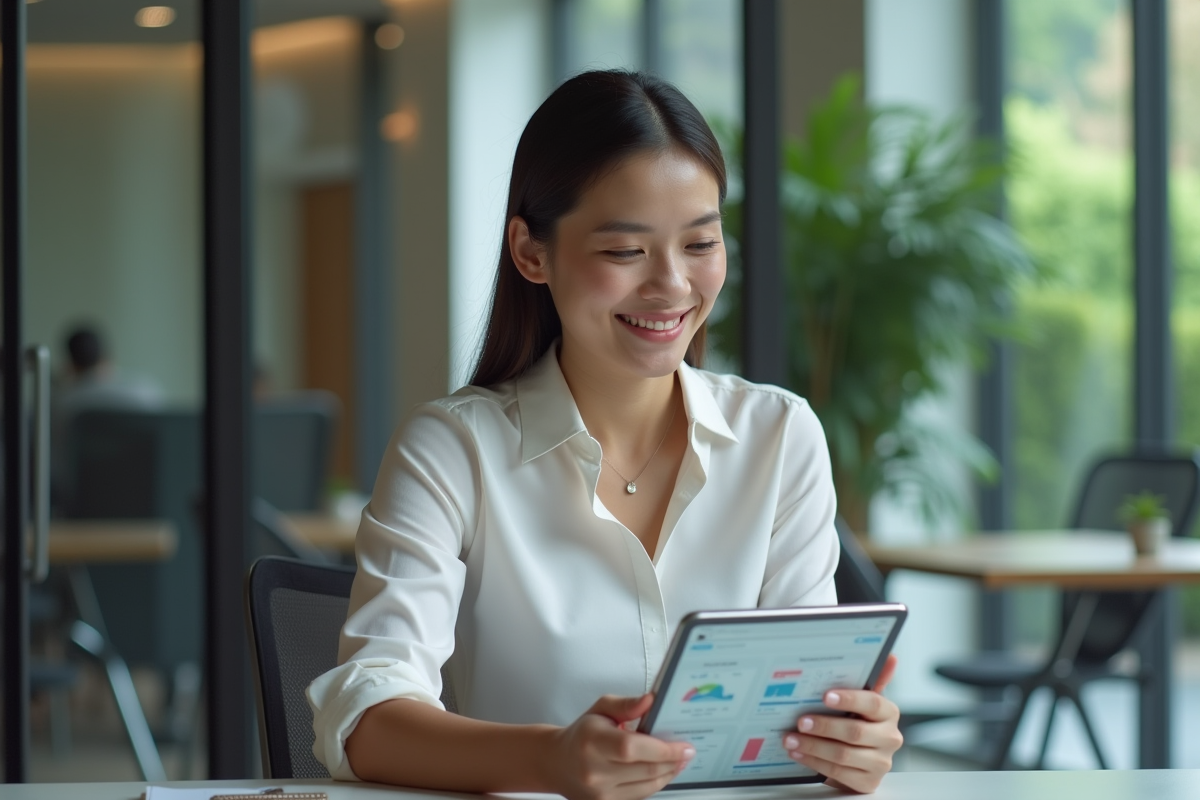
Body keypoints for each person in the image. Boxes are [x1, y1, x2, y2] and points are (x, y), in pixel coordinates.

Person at [307, 70, 903, 797]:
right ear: (531, 252)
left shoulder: (780, 434)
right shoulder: (454, 449)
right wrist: (549, 761)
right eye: (625, 252)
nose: (673, 286)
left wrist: (844, 739)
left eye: (700, 244)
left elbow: (798, 705)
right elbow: (366, 717)